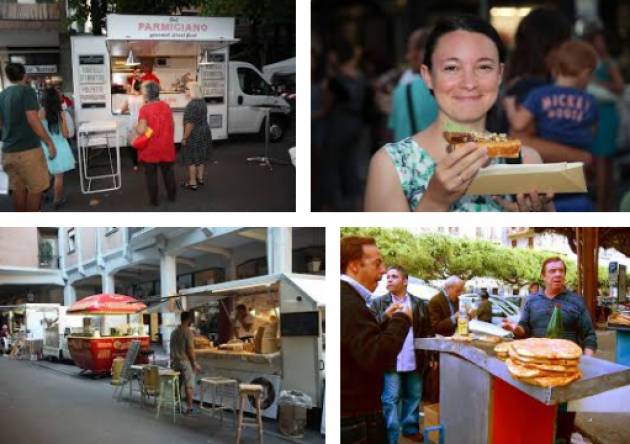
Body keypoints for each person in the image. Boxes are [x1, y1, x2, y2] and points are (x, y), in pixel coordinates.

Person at [365, 15, 552, 212]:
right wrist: (434, 201)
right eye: (452, 68)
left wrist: (534, 226)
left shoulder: (526, 161)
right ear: (428, 76)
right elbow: (380, 244)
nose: (469, 83)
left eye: (484, 67)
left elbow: (556, 242)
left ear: (499, 74)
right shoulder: (392, 165)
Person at [502, 256, 597, 444]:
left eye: (561, 270)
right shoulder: (531, 301)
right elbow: (524, 330)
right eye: (552, 271)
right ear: (543, 276)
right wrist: (515, 329)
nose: (558, 274)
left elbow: (589, 336)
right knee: (536, 418)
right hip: (537, 370)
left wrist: (587, 364)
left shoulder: (576, 302)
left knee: (563, 423)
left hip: (565, 371)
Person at [504, 40, 599, 211]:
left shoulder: (538, 95)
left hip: (548, 171)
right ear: (586, 72)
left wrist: (510, 106)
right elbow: (593, 132)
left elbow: (518, 124)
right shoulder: (591, 101)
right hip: (579, 174)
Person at [341, 236, 412, 444]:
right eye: (377, 263)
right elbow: (376, 356)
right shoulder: (350, 303)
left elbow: (359, 342)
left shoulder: (351, 300)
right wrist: (402, 319)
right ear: (354, 266)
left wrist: (385, 320)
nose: (383, 272)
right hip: (356, 420)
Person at [371, 266, 432, 444]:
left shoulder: (420, 304)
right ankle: (391, 436)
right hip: (391, 359)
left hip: (415, 357)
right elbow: (371, 330)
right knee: (390, 399)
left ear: (405, 281)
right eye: (387, 277)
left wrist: (432, 357)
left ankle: (410, 429)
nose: (388, 279)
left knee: (414, 395)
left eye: (394, 277)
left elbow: (428, 331)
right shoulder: (379, 303)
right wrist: (385, 316)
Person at [0, 62, 55, 211]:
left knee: (18, 189)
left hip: (8, 151)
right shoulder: (27, 92)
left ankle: (22, 227)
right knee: (35, 190)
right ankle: (31, 227)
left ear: (8, 77)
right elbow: (33, 119)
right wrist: (49, 142)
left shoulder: (2, 95)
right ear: (25, 75)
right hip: (28, 150)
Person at [584, 29, 625, 211]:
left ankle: (602, 208)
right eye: (596, 41)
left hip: (606, 115)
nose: (599, 45)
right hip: (593, 115)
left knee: (603, 161)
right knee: (600, 162)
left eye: (602, 41)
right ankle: (604, 206)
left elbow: (620, 86)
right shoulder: (589, 62)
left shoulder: (608, 63)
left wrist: (597, 83)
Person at [388, 29, 438, 142]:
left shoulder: (402, 91)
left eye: (411, 50)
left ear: (422, 54)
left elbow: (396, 134)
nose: (408, 57)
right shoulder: (458, 88)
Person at [135, 81, 177, 207]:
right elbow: (172, 125)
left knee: (151, 176)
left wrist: (136, 127)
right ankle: (172, 196)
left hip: (150, 148)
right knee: (168, 172)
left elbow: (141, 130)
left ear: (147, 94)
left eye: (143, 92)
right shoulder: (166, 106)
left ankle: (154, 201)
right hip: (166, 145)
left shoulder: (144, 109)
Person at [39, 87, 76, 209]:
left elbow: (38, 131)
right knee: (58, 177)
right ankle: (57, 199)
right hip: (60, 147)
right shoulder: (61, 113)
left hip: (45, 146)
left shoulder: (39, 113)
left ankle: (43, 195)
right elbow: (66, 134)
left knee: (48, 173)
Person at [181, 81, 213, 190]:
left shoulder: (191, 105)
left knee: (191, 158)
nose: (184, 91)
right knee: (201, 156)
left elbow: (190, 124)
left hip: (195, 133)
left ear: (192, 91)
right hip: (204, 132)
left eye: (186, 89)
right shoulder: (202, 102)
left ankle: (192, 182)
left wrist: (185, 137)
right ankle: (200, 178)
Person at [170, 311, 202, 415]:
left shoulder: (174, 332)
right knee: (189, 385)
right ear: (188, 320)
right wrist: (194, 363)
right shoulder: (187, 332)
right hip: (185, 362)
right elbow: (190, 349)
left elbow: (170, 348)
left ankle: (177, 405)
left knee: (177, 385)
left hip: (175, 362)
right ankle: (189, 407)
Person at [120, 79, 144, 171]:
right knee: (143, 142)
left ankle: (135, 165)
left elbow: (122, 110)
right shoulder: (143, 98)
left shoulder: (129, 98)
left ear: (133, 87)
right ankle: (143, 160)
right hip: (142, 122)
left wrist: (130, 108)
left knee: (134, 144)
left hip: (132, 122)